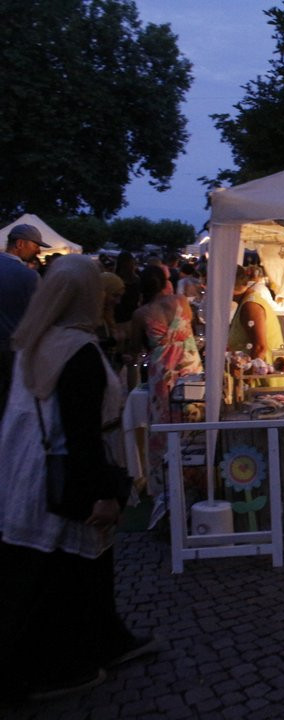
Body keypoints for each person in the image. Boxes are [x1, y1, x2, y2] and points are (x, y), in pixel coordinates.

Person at [0, 255, 156, 701]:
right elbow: (81, 433)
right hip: (66, 472)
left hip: (27, 468)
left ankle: (106, 639)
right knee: (62, 569)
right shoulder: (77, 352)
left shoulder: (33, 339)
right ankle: (57, 665)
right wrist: (103, 493)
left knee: (67, 567)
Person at [129, 265, 202, 491]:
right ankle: (195, 478)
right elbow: (193, 325)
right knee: (193, 416)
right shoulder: (181, 302)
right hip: (189, 364)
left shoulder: (141, 314)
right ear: (164, 283)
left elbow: (133, 348)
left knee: (164, 422)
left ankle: (166, 485)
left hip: (162, 371)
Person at [1, 224, 47, 418]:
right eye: (35, 245)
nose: (38, 251)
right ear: (20, 244)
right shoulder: (28, 277)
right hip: (11, 353)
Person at [228, 264, 284, 363]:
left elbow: (260, 348)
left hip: (262, 374)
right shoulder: (245, 302)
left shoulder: (250, 306)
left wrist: (248, 376)